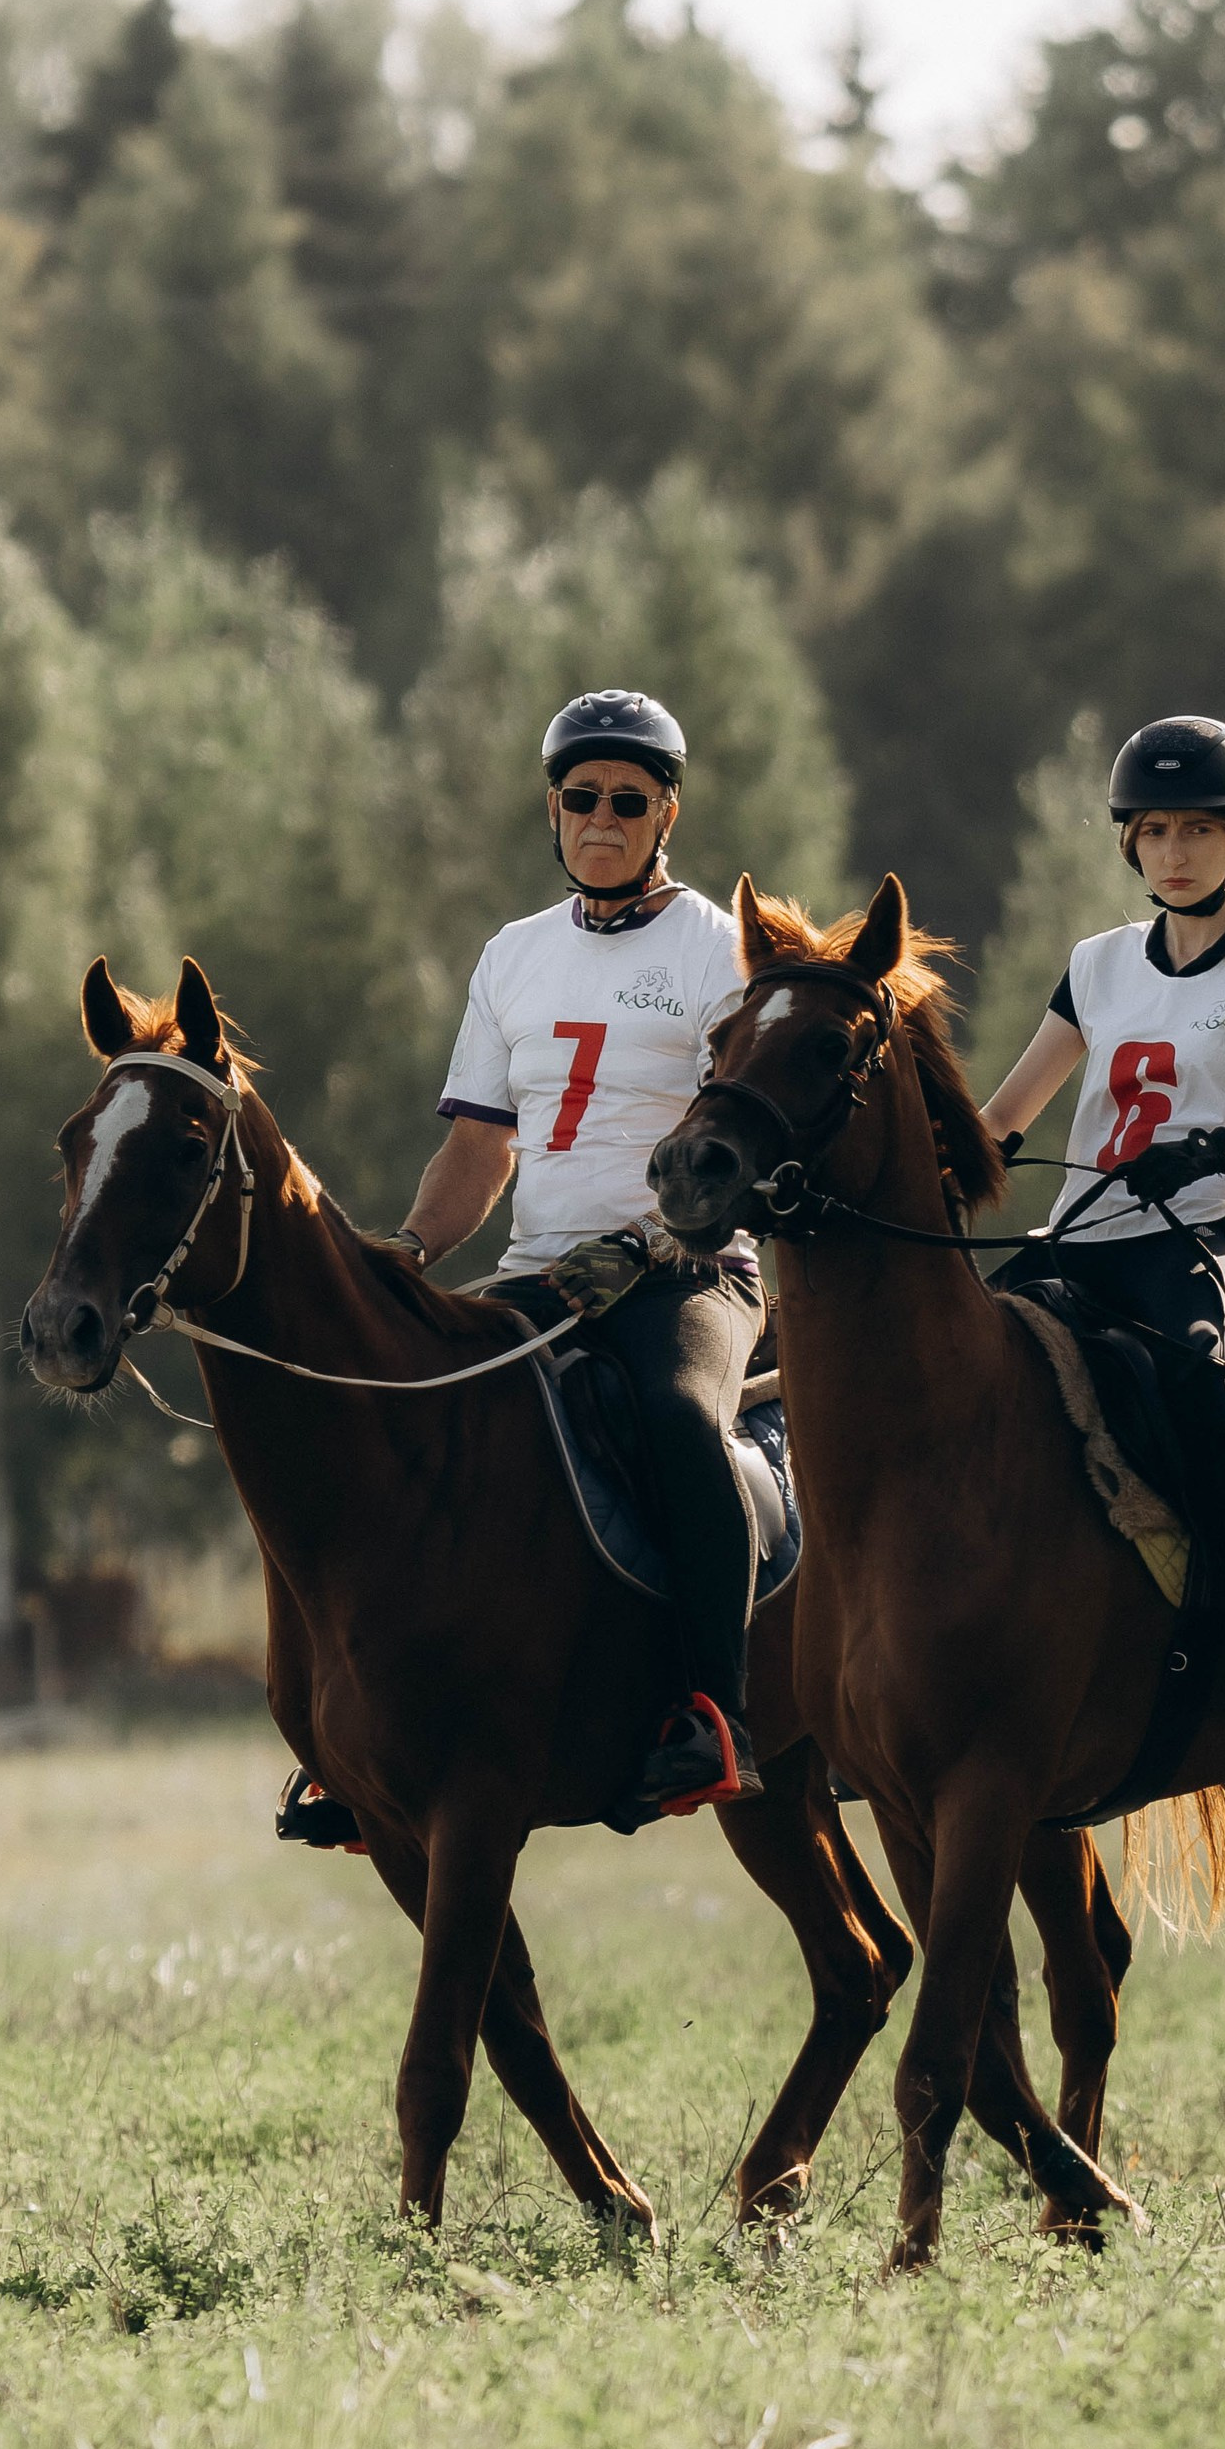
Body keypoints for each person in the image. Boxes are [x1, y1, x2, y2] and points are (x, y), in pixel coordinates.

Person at [389, 687, 767, 1821]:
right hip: (539, 1273)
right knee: (409, 1421)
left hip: (692, 1271)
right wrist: (404, 1251)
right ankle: (372, 1731)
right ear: (551, 813)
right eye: (580, 798)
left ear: (668, 815)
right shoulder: (510, 957)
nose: (601, 818)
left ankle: (718, 1713)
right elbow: (476, 1148)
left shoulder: (723, 952)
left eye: (627, 799)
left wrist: (653, 1241)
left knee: (678, 1418)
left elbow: (740, 1148)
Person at [980, 714, 1225, 1764]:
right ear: (1129, 844)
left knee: (1195, 1387)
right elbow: (1002, 1120)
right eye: (1152, 831)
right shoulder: (1097, 964)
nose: (1174, 851)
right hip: (1082, 1237)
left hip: (1206, 1238)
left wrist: (1223, 1151)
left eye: (1197, 829)